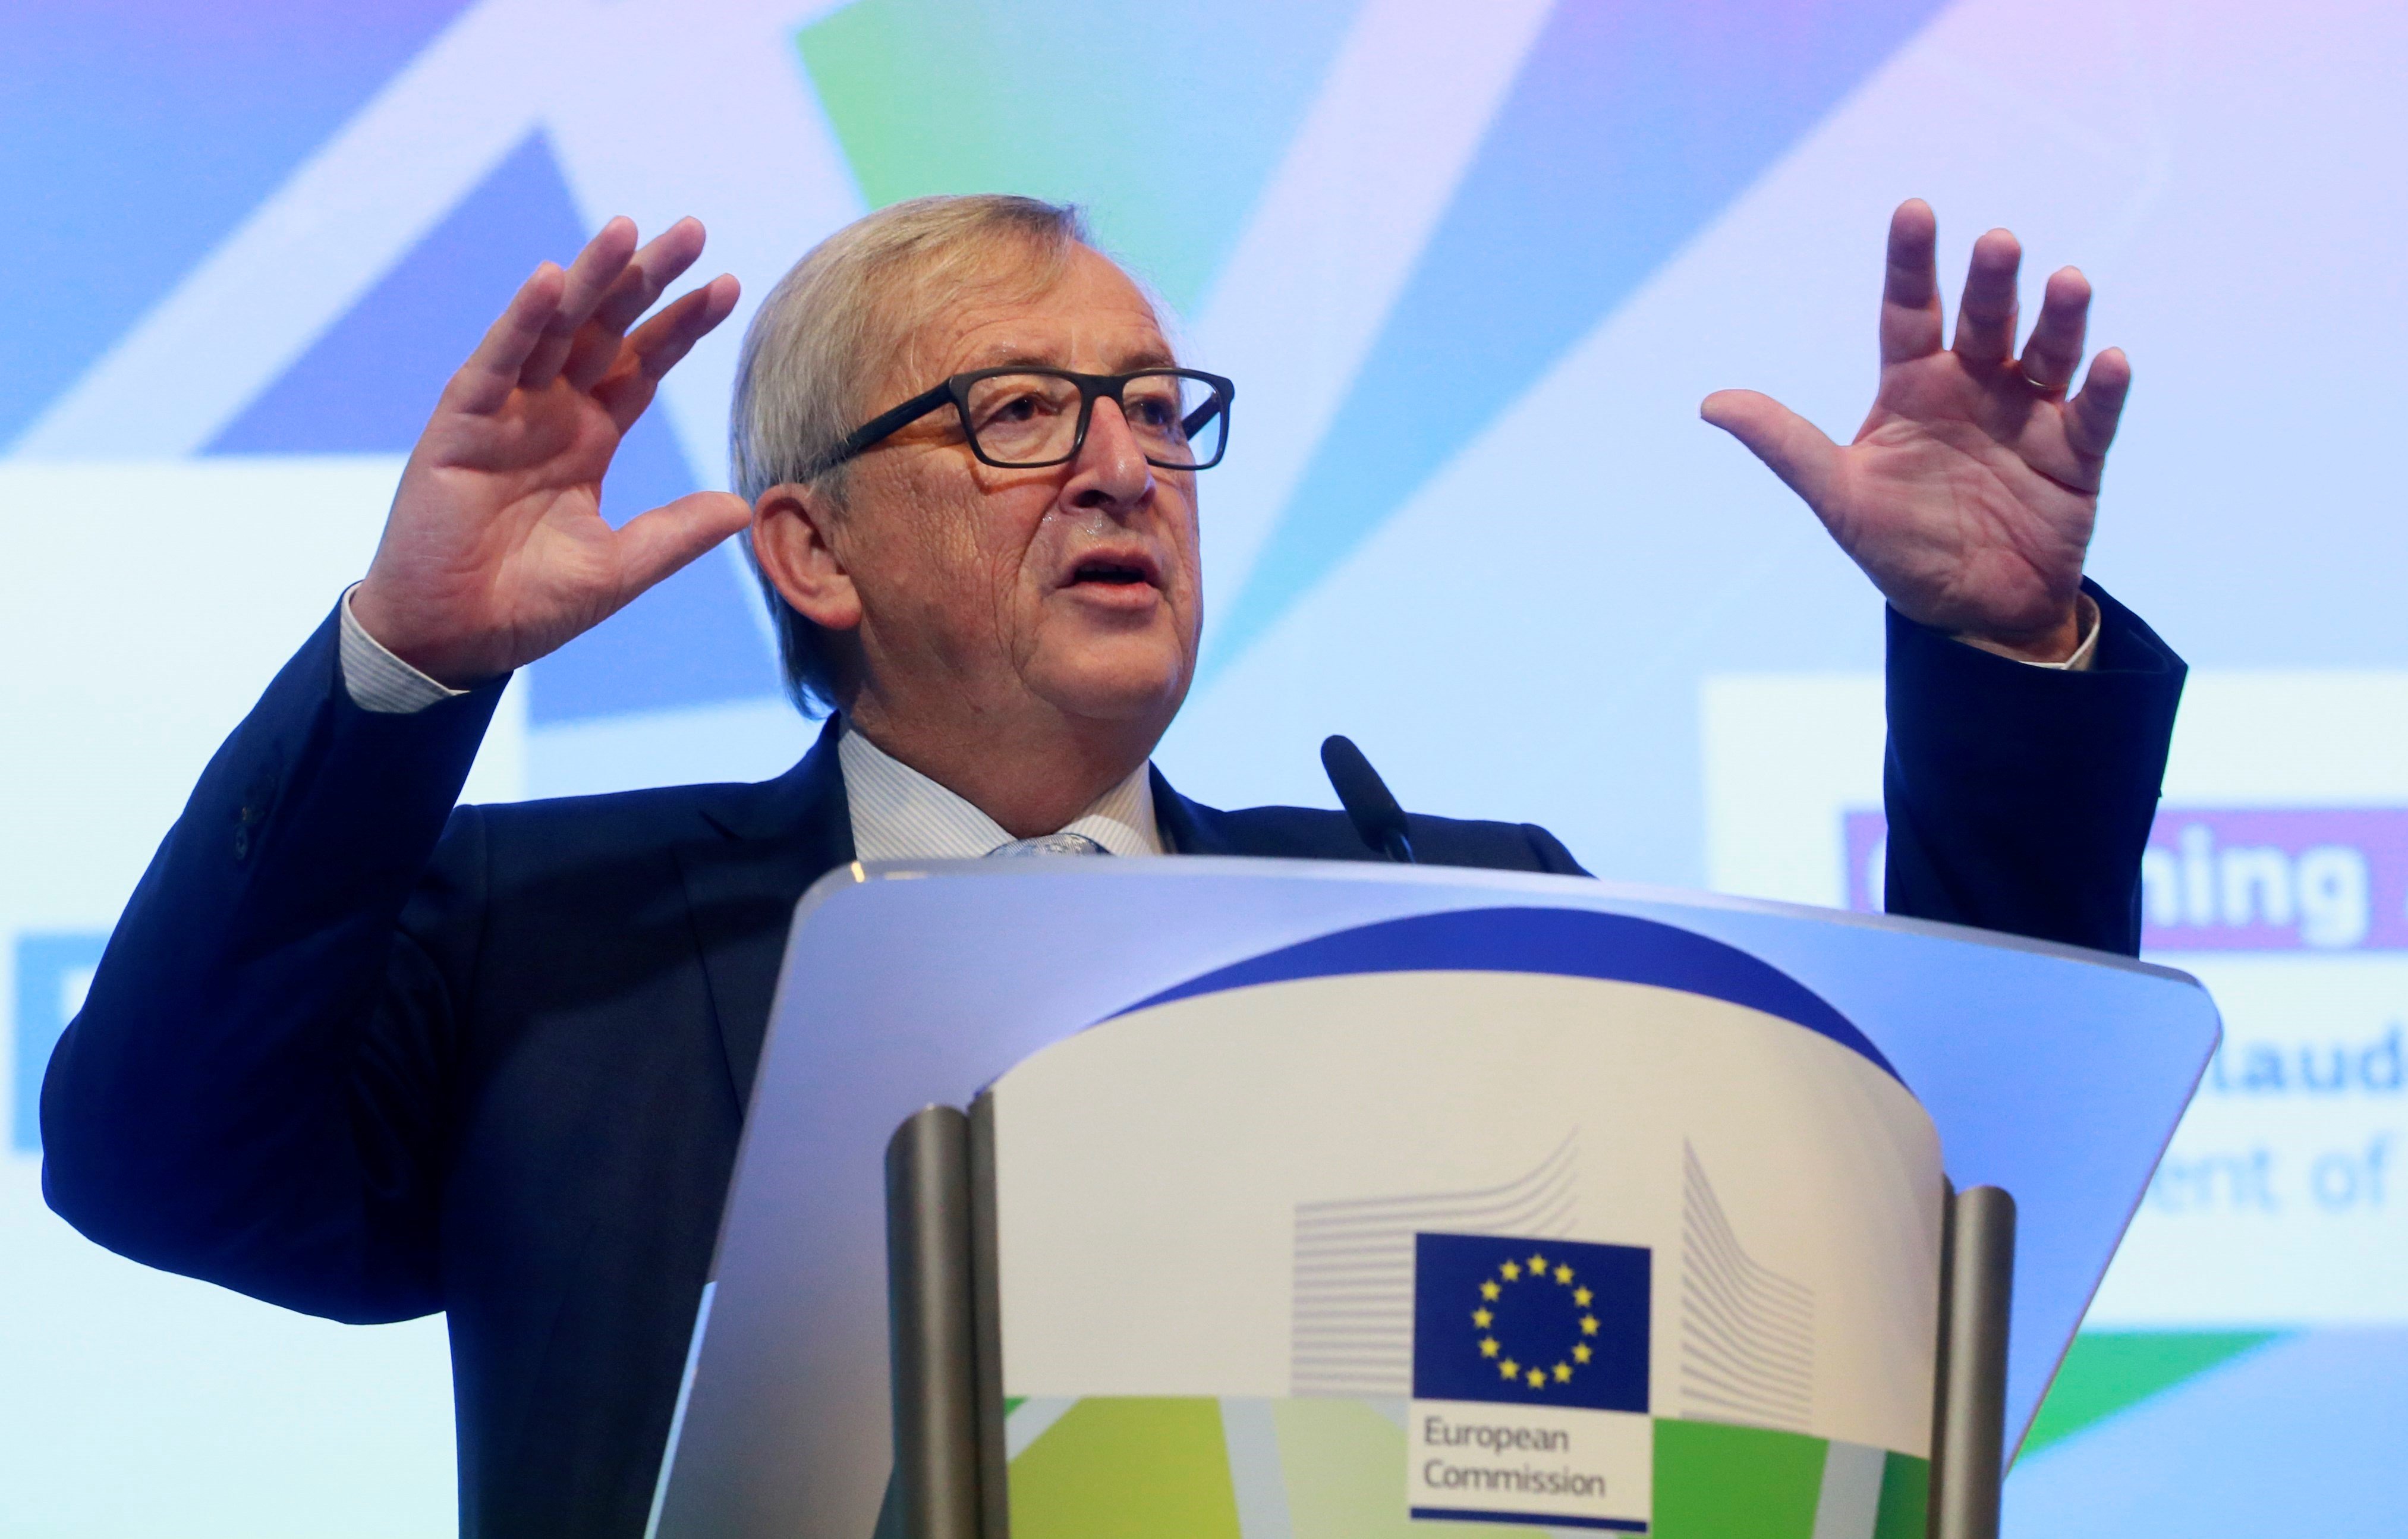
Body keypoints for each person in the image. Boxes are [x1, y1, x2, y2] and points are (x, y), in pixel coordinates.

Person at [40, 194, 2182, 1535]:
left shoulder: (1457, 921)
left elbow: (1898, 1203)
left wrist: (2001, 651)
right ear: (810, 545)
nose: (1123, 464)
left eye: (1158, 408)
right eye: (1015, 413)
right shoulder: (551, 946)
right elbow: (153, 1160)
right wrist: (406, 666)